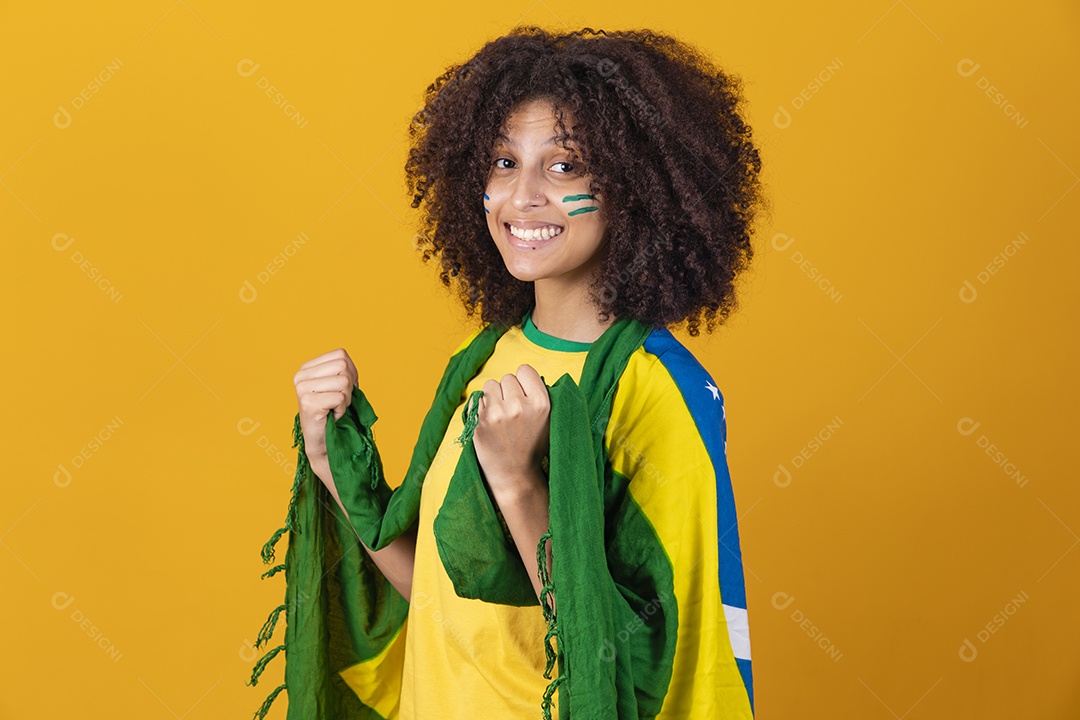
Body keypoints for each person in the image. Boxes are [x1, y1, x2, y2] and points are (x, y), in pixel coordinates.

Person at [279, 25, 766, 720]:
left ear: (635, 187)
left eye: (564, 167)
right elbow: (441, 596)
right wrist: (332, 465)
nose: (522, 197)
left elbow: (647, 663)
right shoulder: (486, 360)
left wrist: (517, 482)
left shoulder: (655, 390)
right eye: (503, 163)